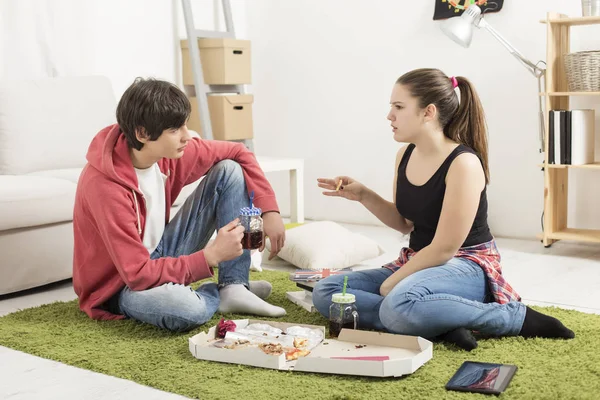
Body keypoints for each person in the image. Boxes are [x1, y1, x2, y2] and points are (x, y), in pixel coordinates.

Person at [313, 68, 574, 350]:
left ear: (428, 112)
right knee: (327, 291)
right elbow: (404, 224)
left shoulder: (463, 163)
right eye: (391, 107)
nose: (390, 116)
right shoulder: (405, 154)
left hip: (466, 266)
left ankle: (511, 317)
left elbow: (445, 248)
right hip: (418, 262)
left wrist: (392, 285)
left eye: (398, 107)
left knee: (396, 303)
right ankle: (440, 321)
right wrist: (363, 195)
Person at [73, 77, 287, 332]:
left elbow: (239, 152)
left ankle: (234, 285)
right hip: (122, 286)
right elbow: (137, 274)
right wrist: (211, 255)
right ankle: (211, 294)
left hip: (159, 254)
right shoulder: (105, 187)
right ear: (142, 133)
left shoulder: (168, 153)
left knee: (229, 170)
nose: (187, 137)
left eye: (185, 125)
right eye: (175, 130)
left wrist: (269, 211)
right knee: (187, 311)